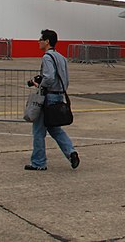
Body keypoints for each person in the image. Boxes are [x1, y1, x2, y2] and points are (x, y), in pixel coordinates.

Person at [25, 29, 80, 171]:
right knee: (54, 128)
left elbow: (49, 77)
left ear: (47, 41)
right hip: (58, 95)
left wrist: (40, 84)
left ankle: (39, 162)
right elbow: (65, 79)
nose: (39, 42)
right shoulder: (61, 57)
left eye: (40, 39)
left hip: (48, 97)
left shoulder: (47, 57)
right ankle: (71, 152)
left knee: (38, 131)